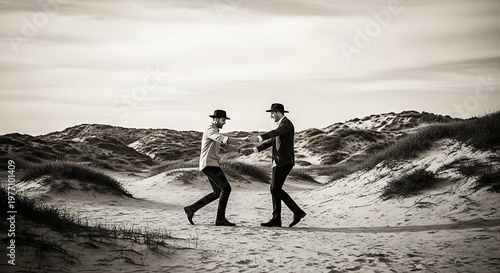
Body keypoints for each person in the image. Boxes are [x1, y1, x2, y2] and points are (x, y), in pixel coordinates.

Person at [184, 109, 249, 226]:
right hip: (209, 164)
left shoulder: (215, 130)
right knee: (226, 188)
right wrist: (242, 139)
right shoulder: (210, 129)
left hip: (211, 164)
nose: (224, 123)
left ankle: (191, 209)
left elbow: (224, 145)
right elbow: (223, 139)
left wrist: (240, 150)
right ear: (216, 119)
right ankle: (220, 219)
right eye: (223, 120)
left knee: (217, 191)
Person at [245, 103, 306, 228]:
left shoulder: (286, 124)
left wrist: (258, 137)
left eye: (272, 113)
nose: (271, 116)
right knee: (274, 189)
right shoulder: (282, 125)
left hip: (284, 161)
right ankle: (276, 219)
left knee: (275, 189)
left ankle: (297, 212)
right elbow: (271, 141)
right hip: (278, 161)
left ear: (278, 112)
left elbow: (274, 133)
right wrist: (254, 150)